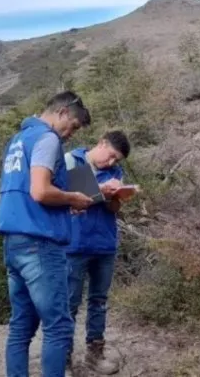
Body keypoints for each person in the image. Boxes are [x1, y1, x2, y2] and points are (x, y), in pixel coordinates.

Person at [0, 91, 94, 377]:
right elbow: (40, 191)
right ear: (63, 112)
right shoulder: (47, 138)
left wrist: (65, 203)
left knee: (21, 326)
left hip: (14, 243)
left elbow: (27, 193)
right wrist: (74, 198)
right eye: (73, 126)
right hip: (39, 245)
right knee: (59, 326)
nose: (70, 135)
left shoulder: (17, 140)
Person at [64, 130, 131, 375]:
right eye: (111, 156)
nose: (111, 163)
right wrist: (102, 190)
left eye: (117, 161)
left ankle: (95, 353)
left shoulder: (115, 172)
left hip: (105, 243)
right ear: (101, 143)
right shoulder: (73, 160)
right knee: (69, 303)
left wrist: (118, 194)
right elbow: (80, 198)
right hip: (75, 244)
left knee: (99, 301)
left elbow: (113, 208)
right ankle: (65, 357)